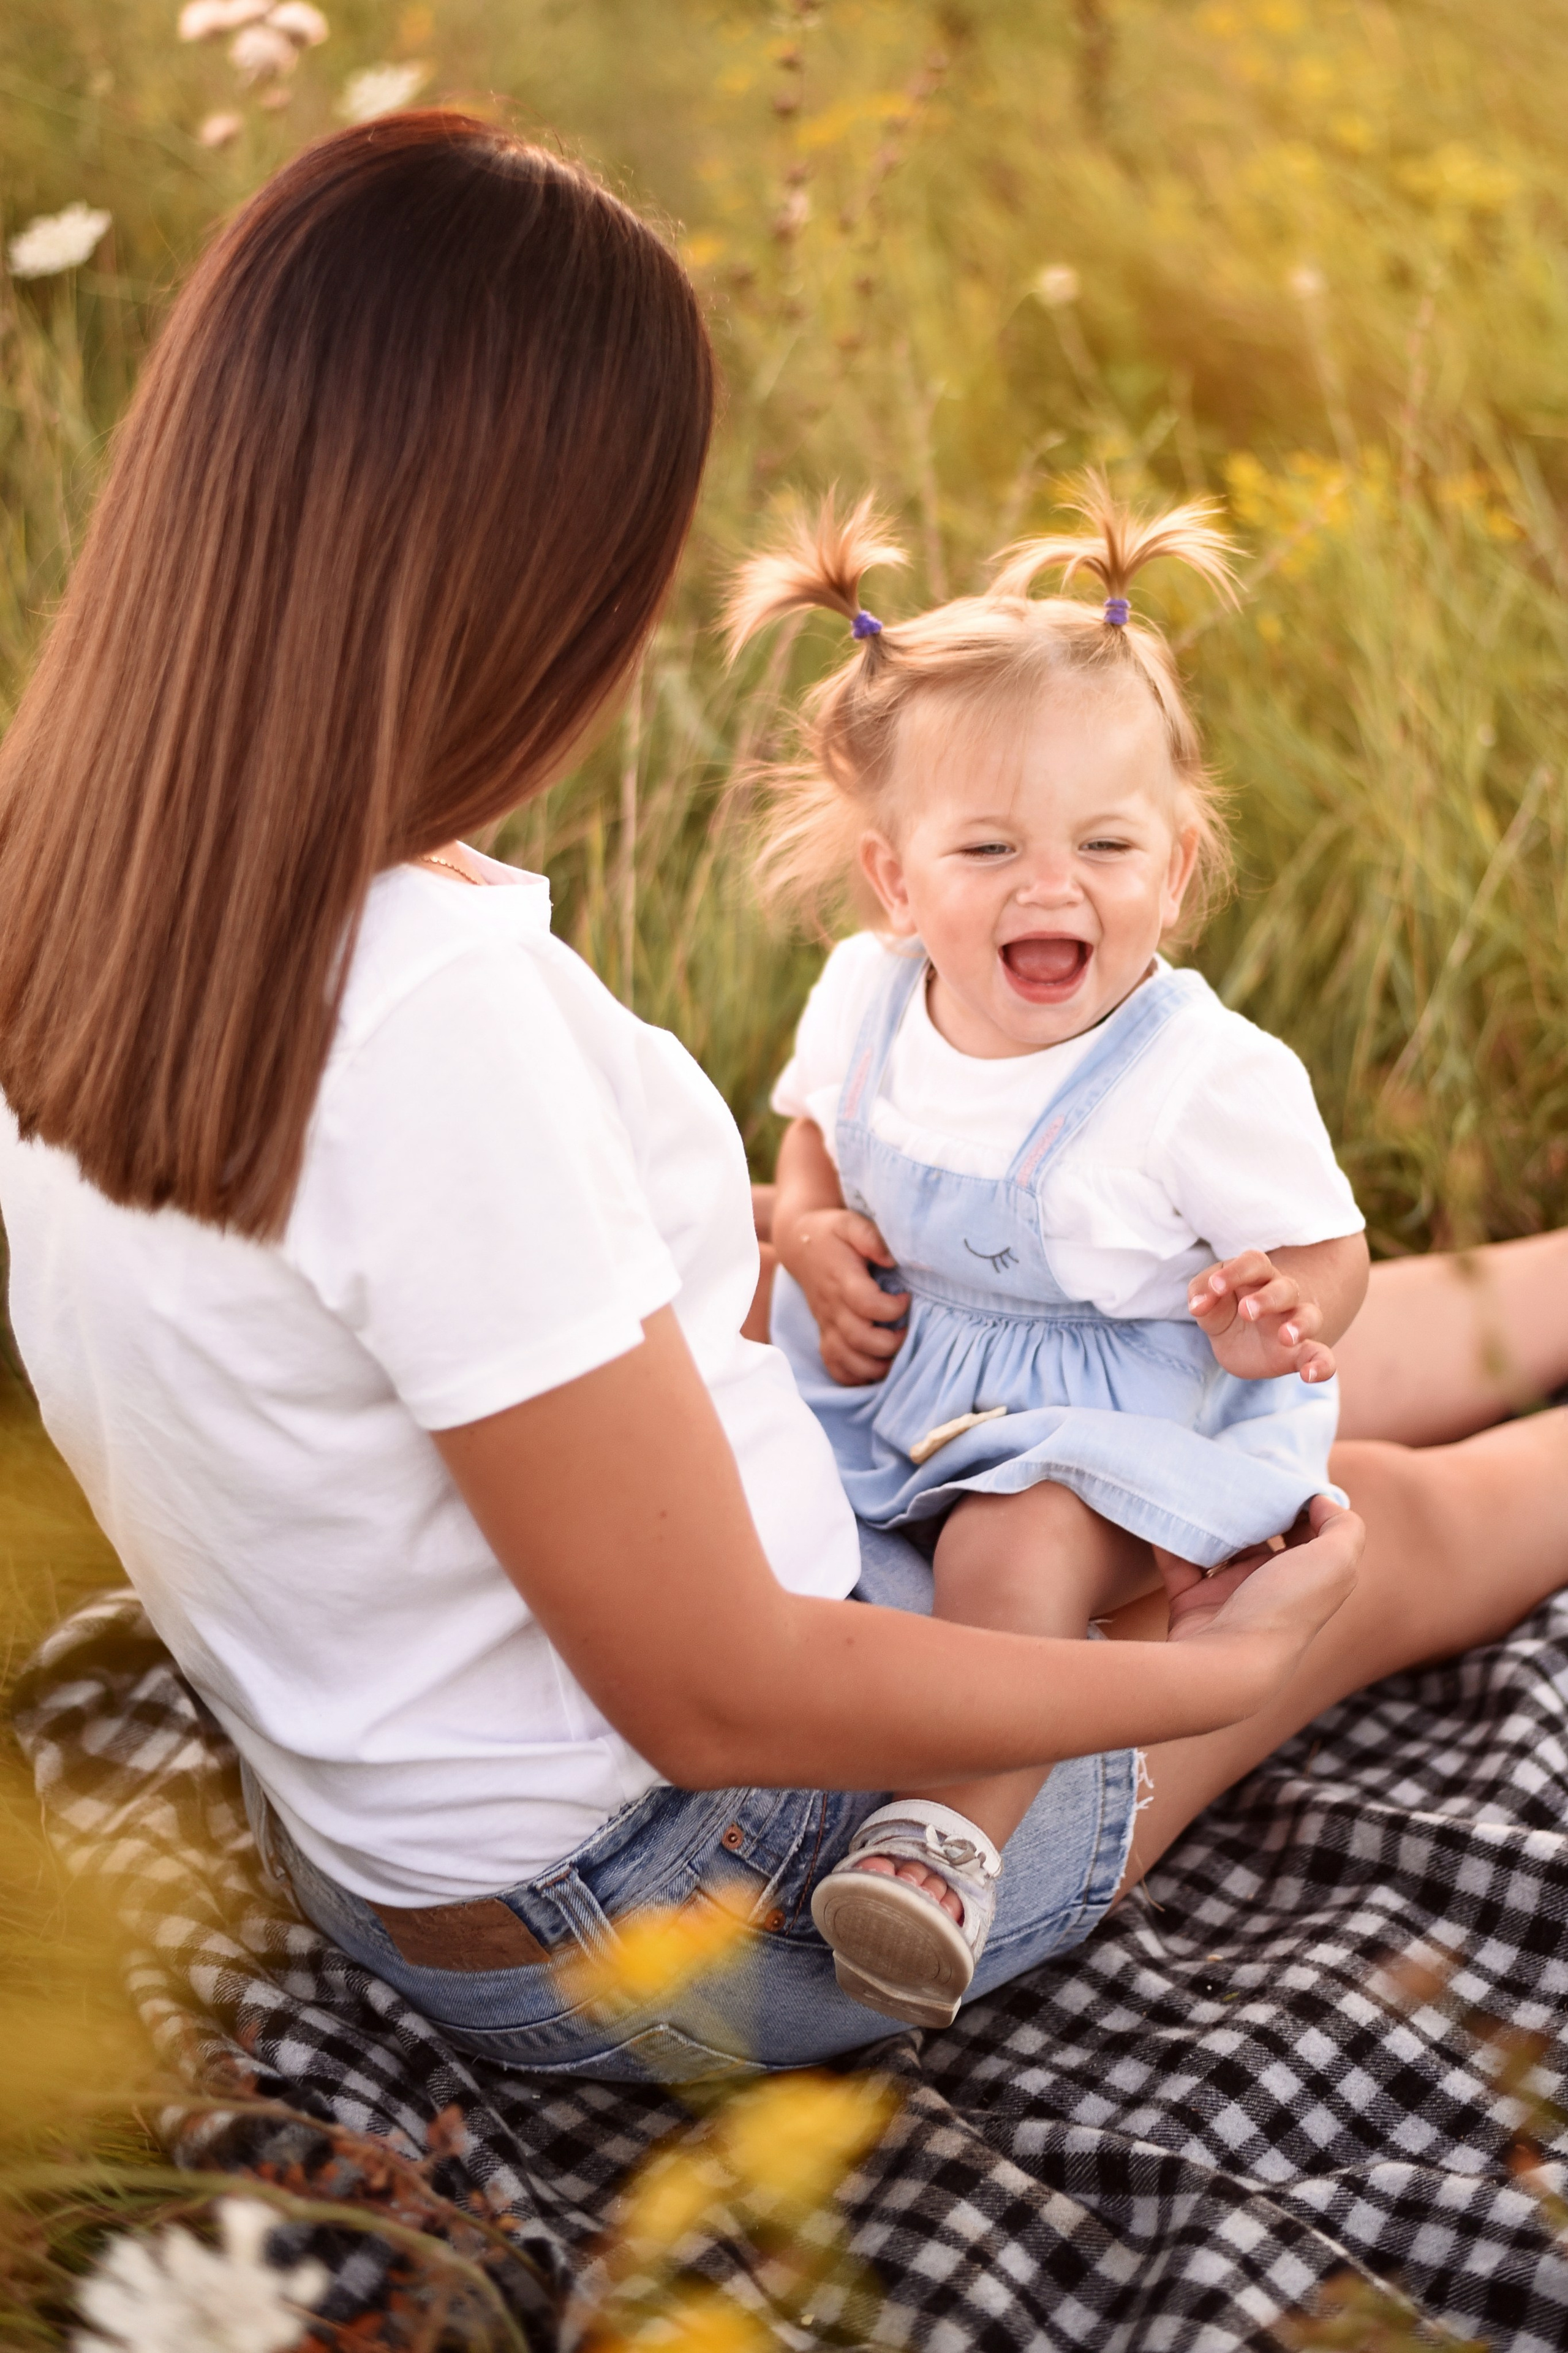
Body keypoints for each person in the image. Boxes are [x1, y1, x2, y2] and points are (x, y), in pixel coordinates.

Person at [0, 113, 1564, 2087]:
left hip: (433, 1812)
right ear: (515, 575)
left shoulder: (83, 855)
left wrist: (782, 1225)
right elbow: (717, 1691)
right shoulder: (424, 1025)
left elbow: (409, 1300)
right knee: (1380, 1527)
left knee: (1146, 1332)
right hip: (678, 1888)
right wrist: (1232, 1656)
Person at [731, 488, 1371, 2023]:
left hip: (1111, 1409)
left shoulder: (1197, 1079)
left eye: (1103, 843)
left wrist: (1273, 1314)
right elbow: (812, 1138)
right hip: (902, 1364)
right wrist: (808, 1228)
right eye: (987, 846)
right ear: (895, 878)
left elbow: (1328, 1251)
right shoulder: (865, 994)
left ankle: (945, 1841)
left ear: (1175, 857)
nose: (1049, 885)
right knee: (759, 1464)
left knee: (1000, 1554)